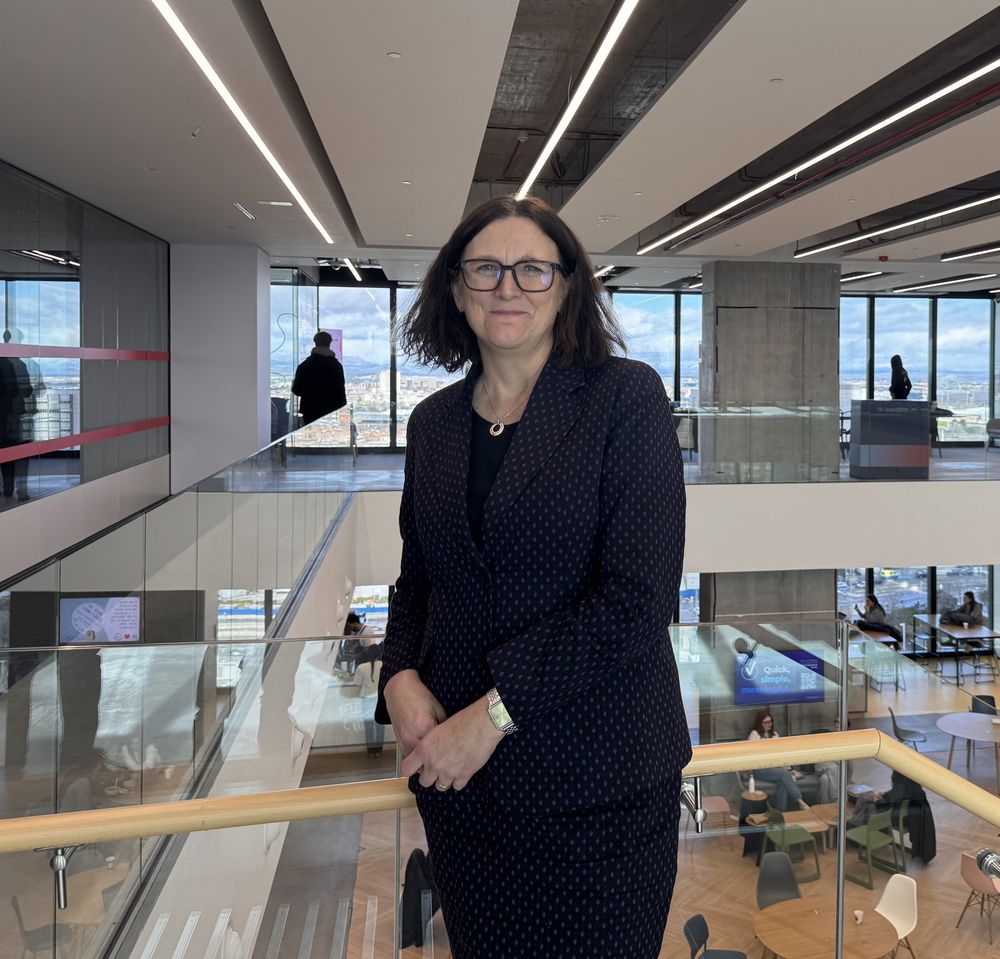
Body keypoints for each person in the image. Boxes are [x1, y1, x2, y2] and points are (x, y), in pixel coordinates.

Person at [376, 195, 689, 958]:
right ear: (455, 287)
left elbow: (636, 601)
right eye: (485, 267)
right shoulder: (435, 424)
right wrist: (397, 673)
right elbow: (419, 577)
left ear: (568, 286)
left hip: (598, 793)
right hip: (465, 798)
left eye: (532, 268)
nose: (507, 286)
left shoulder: (626, 399)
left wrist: (491, 717)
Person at [747, 710, 809, 811]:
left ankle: (780, 813)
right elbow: (749, 755)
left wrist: (789, 769)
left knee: (782, 784)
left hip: (775, 769)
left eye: (770, 721)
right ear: (760, 723)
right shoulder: (754, 734)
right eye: (766, 722)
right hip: (760, 769)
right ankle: (800, 802)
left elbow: (781, 754)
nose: (769, 724)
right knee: (784, 774)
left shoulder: (775, 735)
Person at [290, 331, 346, 425]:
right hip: (330, 413)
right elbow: (340, 392)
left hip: (310, 411)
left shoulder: (304, 365)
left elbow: (297, 390)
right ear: (330, 343)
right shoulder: (336, 365)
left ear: (315, 342)